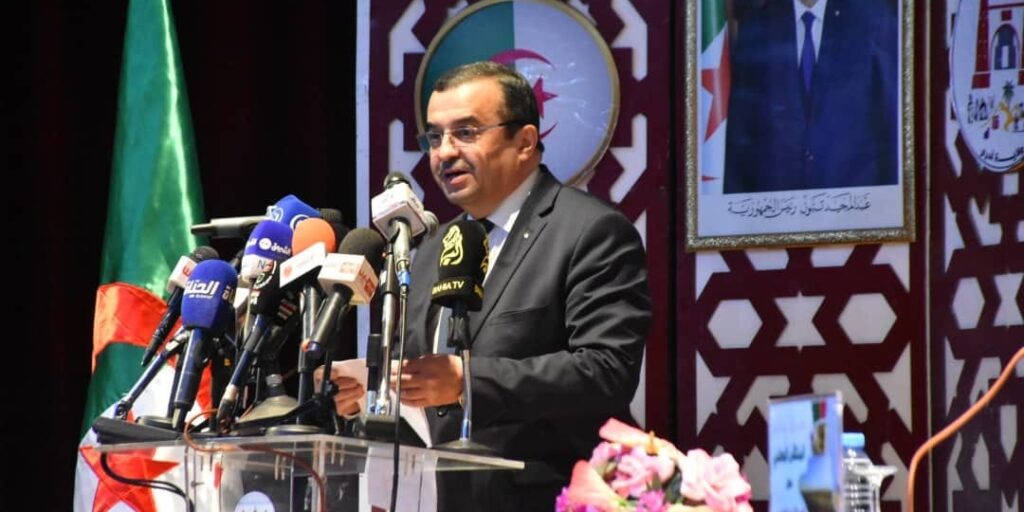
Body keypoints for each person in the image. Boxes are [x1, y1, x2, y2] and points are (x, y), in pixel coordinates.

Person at [324, 61, 651, 510]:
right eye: (434, 137)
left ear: (525, 141)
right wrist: (369, 396)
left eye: (466, 132)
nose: (444, 152)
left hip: (546, 498)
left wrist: (468, 381)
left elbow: (606, 370)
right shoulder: (432, 248)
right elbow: (426, 394)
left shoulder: (589, 232)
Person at [723, 0, 899, 193]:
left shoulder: (873, 18)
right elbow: (739, 137)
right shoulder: (758, 25)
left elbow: (893, 126)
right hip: (777, 202)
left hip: (855, 200)